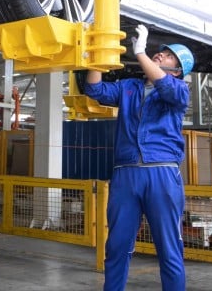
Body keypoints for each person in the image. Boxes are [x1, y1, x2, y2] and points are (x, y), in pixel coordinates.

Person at [83, 25, 194, 291]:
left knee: (169, 248)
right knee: (117, 245)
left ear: (177, 70)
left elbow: (164, 87)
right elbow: (94, 90)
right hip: (126, 172)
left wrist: (141, 53)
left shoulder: (179, 89)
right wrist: (97, 55)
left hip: (162, 173)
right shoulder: (129, 87)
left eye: (169, 56)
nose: (161, 55)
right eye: (162, 51)